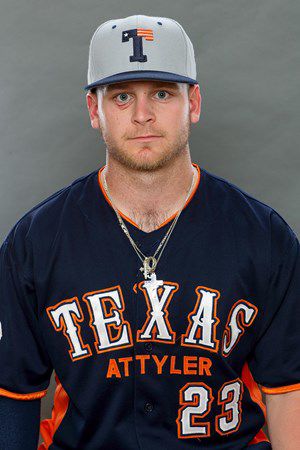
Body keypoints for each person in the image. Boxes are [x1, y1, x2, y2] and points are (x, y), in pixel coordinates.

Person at [0, 13, 299, 450]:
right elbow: (13, 395)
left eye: (162, 93)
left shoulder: (264, 237)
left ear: (193, 103)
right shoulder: (36, 241)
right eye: (121, 97)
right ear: (93, 110)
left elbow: (288, 388)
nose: (142, 115)